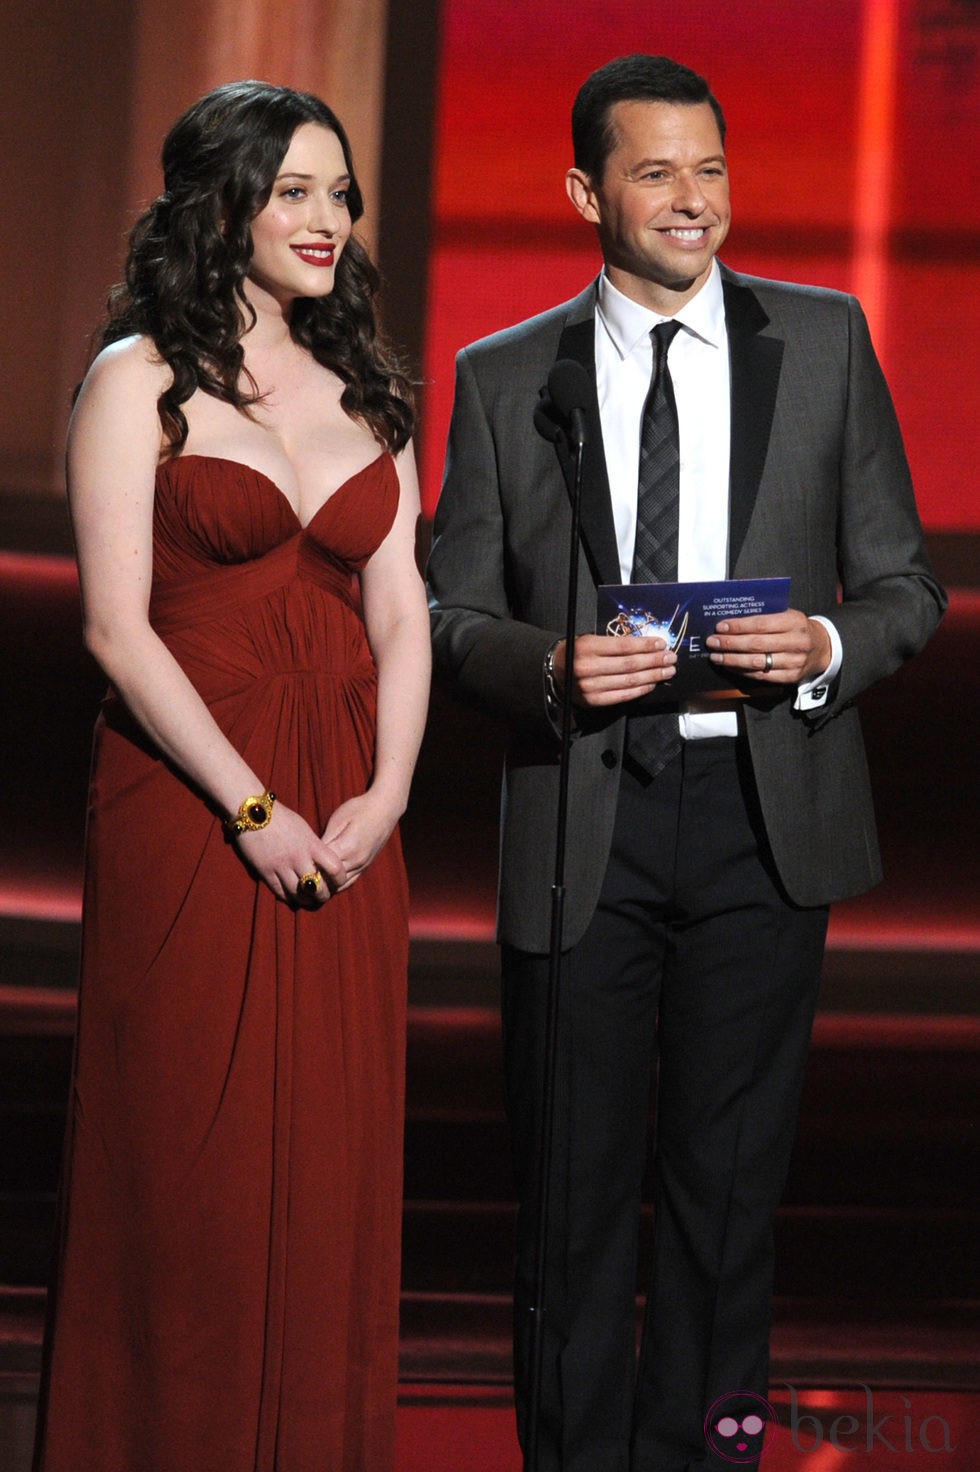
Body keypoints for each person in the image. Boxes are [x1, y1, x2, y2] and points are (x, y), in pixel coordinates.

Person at [427, 53, 945, 1472]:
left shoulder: (827, 343)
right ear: (586, 190)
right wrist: (547, 667)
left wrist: (826, 643)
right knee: (572, 1199)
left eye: (710, 168)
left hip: (761, 813)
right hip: (583, 812)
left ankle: (707, 1456)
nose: (692, 200)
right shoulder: (503, 376)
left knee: (727, 1197)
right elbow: (445, 610)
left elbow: (907, 587)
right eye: (656, 172)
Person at [33, 81, 430, 1472]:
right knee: (189, 1163)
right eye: (296, 192)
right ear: (222, 205)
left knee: (327, 1164)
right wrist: (249, 808)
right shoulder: (137, 378)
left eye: (341, 195)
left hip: (350, 806)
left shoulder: (369, 384)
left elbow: (401, 611)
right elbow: (115, 629)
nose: (328, 220)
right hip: (196, 804)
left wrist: (386, 792)